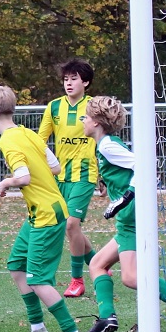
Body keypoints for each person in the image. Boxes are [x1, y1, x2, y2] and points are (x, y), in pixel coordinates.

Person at [81, 96, 166, 332]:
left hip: (131, 216)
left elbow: (146, 165)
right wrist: (109, 185)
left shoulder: (107, 145)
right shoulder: (105, 145)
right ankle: (107, 317)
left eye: (85, 117)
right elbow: (125, 170)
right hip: (127, 217)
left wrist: (126, 196)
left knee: (131, 277)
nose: (83, 121)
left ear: (96, 122)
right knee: (97, 264)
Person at [0, 85, 88, 332]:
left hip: (46, 216)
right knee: (17, 266)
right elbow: (55, 167)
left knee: (38, 279)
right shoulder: (28, 133)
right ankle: (38, 331)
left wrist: (6, 182)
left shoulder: (7, 141)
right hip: (43, 211)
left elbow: (24, 177)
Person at [37, 59, 98, 298]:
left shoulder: (93, 107)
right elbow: (40, 141)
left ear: (86, 82)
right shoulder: (54, 107)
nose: (68, 83)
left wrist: (104, 176)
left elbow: (102, 140)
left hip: (85, 174)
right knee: (70, 228)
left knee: (72, 224)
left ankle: (77, 280)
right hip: (60, 177)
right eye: (65, 79)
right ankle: (98, 263)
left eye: (74, 79)